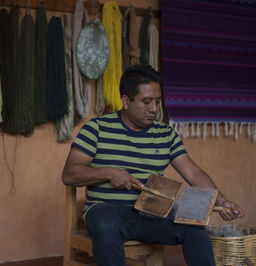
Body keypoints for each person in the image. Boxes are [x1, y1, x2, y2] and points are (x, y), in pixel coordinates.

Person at [62, 64, 244, 266]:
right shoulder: (96, 129)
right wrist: (108, 172)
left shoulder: (165, 134)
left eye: (158, 101)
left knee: (194, 229)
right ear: (126, 101)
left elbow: (193, 173)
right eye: (147, 102)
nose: (155, 109)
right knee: (106, 227)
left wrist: (222, 200)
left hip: (153, 213)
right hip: (107, 210)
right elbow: (69, 174)